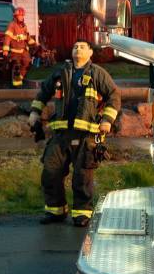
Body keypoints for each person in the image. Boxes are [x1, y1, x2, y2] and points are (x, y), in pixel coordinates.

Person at [29, 39, 120, 227]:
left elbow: (114, 95)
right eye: (75, 47)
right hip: (61, 134)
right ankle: (55, 211)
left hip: (86, 135)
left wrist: (107, 120)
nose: (78, 49)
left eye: (82, 47)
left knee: (82, 176)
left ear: (90, 53)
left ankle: (82, 214)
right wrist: (34, 112)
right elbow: (43, 92)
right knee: (50, 171)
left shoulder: (97, 73)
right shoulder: (60, 72)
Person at [3, 7, 36, 87]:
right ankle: (16, 85)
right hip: (15, 51)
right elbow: (7, 37)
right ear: (15, 16)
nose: (21, 17)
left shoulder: (24, 26)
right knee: (16, 67)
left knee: (27, 63)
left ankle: (20, 78)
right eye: (20, 16)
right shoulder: (12, 25)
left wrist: (35, 44)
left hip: (23, 50)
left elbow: (27, 38)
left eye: (22, 16)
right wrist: (6, 49)